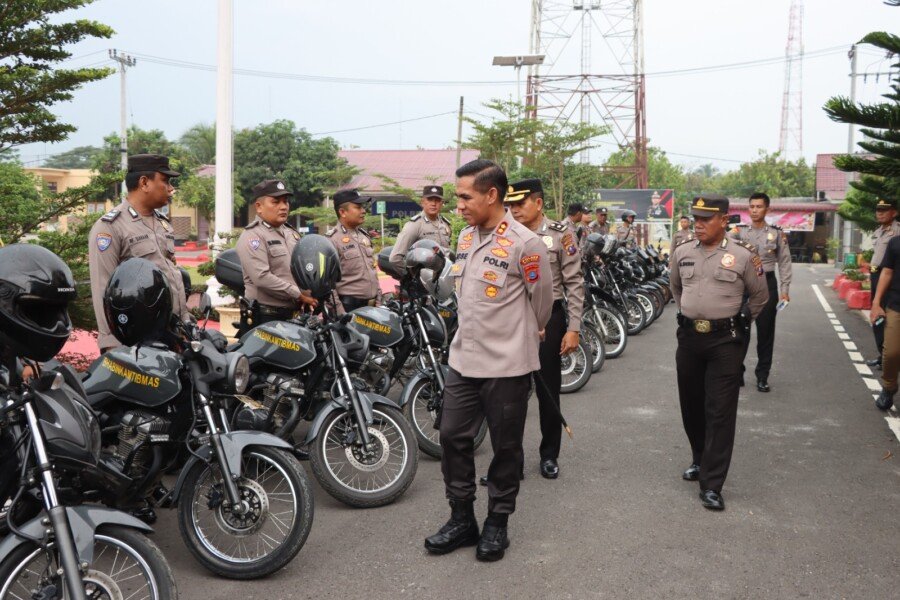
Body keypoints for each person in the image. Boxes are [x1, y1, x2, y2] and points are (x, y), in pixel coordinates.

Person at [424, 159, 552, 562]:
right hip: (464, 359)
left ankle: (497, 522)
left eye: (465, 196)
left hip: (508, 366)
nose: (457, 204)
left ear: (491, 195)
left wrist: (517, 336)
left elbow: (542, 304)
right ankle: (462, 518)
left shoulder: (526, 244)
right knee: (451, 436)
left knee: (506, 448)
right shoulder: (464, 238)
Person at [669, 195, 768, 511]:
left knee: (720, 411)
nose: (698, 224)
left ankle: (712, 484)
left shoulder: (742, 256)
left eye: (705, 219)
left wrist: (736, 322)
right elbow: (675, 288)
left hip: (725, 342)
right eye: (695, 218)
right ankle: (699, 458)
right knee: (692, 405)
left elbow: (760, 296)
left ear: (724, 220)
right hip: (689, 339)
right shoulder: (682, 252)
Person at [505, 178, 584, 479]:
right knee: (510, 392)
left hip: (549, 317)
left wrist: (573, 327)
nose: (514, 210)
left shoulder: (560, 235)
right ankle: (511, 460)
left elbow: (575, 282)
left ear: (537, 203)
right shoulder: (507, 236)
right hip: (512, 317)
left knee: (547, 389)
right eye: (510, 205)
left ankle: (549, 455)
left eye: (520, 204)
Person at [88, 154, 188, 352]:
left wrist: (185, 322)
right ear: (144, 183)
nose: (170, 189)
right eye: (165, 181)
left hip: (172, 335)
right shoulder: (110, 227)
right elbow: (102, 288)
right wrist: (112, 346)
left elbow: (170, 273)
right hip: (136, 342)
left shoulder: (161, 222)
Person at [235, 179, 317, 334]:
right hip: (266, 318)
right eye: (276, 202)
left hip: (294, 317)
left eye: (286, 202)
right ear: (259, 207)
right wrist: (298, 294)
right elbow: (262, 277)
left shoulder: (291, 234)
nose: (283, 206)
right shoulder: (253, 236)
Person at [731, 193, 792, 392]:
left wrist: (784, 290)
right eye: (752, 206)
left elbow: (784, 262)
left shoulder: (776, 234)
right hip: (744, 285)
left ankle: (762, 376)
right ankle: (737, 372)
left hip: (767, 284)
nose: (755, 210)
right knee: (740, 330)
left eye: (759, 206)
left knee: (766, 333)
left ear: (767, 209)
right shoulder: (739, 232)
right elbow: (723, 244)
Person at [326, 189, 382, 312]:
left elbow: (372, 271)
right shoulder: (332, 240)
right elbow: (327, 285)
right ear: (342, 212)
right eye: (358, 207)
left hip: (372, 308)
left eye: (362, 207)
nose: (363, 211)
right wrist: (340, 313)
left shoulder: (364, 236)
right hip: (349, 309)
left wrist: (378, 302)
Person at [866, 198, 900, 369]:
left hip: (890, 278)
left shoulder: (898, 232)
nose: (879, 213)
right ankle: (882, 355)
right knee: (876, 314)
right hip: (875, 275)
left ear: (894, 213)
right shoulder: (879, 231)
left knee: (888, 317)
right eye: (878, 210)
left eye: (884, 210)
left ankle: (889, 358)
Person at [389, 185, 453, 274]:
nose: (433, 204)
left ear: (442, 203)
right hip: (424, 283)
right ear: (422, 202)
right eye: (430, 200)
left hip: (443, 280)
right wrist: (413, 278)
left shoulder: (445, 224)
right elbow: (395, 259)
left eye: (437, 200)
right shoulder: (415, 225)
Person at [871, 233, 900, 410]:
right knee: (891, 353)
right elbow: (887, 272)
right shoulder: (895, 242)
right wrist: (876, 303)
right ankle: (889, 387)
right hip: (896, 304)